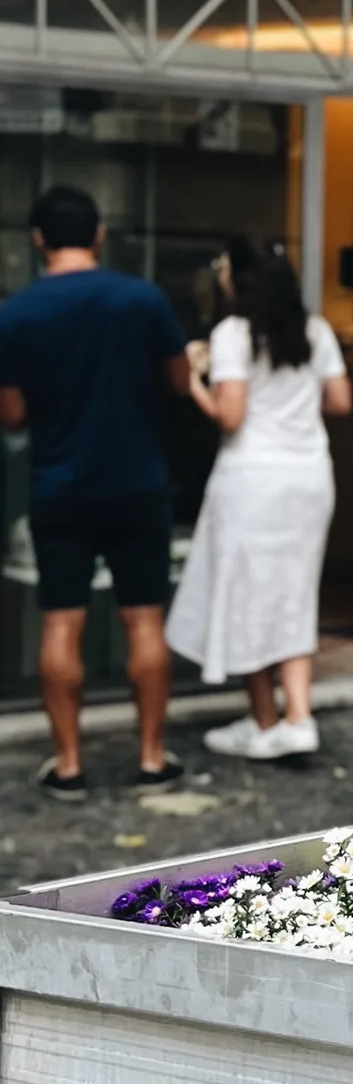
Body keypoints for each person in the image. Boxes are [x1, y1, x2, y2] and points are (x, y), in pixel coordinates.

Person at [0, 183, 193, 798]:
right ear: (99, 235)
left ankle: (69, 765)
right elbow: (180, 379)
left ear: (38, 241)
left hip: (60, 484)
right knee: (144, 619)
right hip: (137, 482)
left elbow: (10, 415)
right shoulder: (142, 299)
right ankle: (151, 759)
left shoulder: (17, 312)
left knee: (62, 622)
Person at [168, 235, 352, 760]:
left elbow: (231, 417)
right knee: (294, 597)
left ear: (238, 282)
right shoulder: (314, 330)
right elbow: (339, 401)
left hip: (252, 481)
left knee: (247, 597)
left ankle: (266, 721)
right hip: (309, 478)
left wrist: (195, 385)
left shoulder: (232, 333)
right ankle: (298, 718)